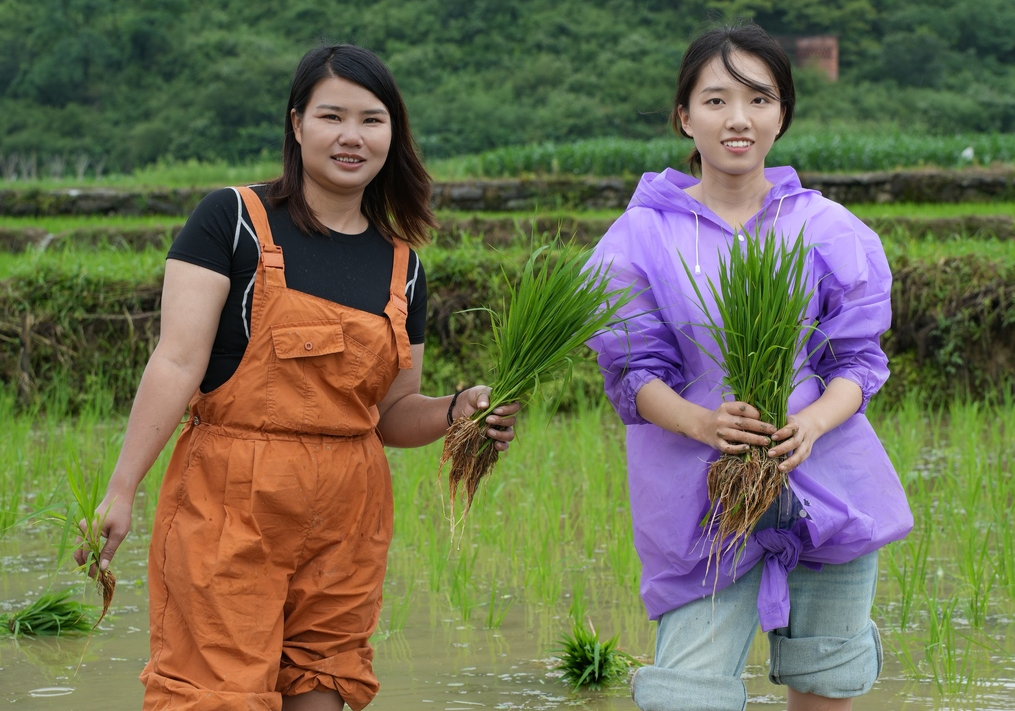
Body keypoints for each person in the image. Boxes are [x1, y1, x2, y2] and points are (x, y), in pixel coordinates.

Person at [74, 44, 519, 711]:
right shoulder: (232, 222)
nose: (350, 136)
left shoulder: (404, 265)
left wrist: (459, 408)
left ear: (392, 133)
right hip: (231, 496)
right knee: (215, 691)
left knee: (324, 681)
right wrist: (121, 488)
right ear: (296, 123)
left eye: (371, 119)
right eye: (331, 116)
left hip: (348, 509)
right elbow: (176, 360)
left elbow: (391, 413)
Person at [585, 23, 913, 711]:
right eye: (715, 100)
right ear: (683, 115)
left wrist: (813, 423)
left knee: (825, 680)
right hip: (699, 494)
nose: (738, 119)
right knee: (688, 693)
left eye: (759, 99)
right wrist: (704, 422)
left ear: (782, 114)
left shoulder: (827, 229)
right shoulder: (641, 236)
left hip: (825, 485)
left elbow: (856, 361)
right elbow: (632, 373)